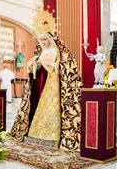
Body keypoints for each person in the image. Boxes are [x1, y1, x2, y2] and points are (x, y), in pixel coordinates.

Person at [9, 8, 82, 151]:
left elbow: (60, 65)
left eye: (45, 39)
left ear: (50, 38)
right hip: (45, 83)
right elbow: (34, 67)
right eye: (41, 39)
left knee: (53, 107)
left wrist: (48, 65)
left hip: (55, 82)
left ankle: (53, 136)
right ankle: (37, 134)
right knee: (42, 107)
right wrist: (33, 65)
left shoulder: (56, 50)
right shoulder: (41, 51)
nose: (44, 41)